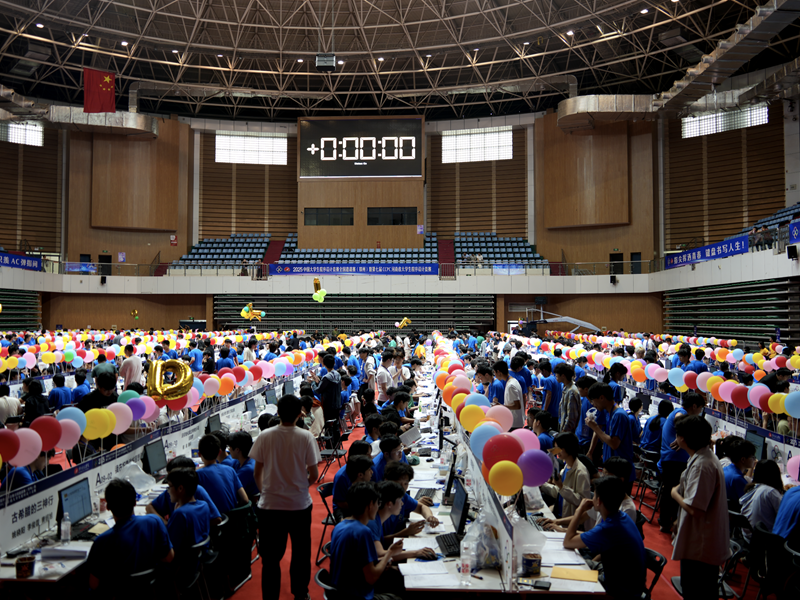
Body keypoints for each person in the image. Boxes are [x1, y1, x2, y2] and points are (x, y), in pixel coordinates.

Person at [250, 394, 321, 600]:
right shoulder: (305, 437)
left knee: (270, 558)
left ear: (278, 412)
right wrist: (301, 486)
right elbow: (314, 474)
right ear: (300, 414)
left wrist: (265, 491)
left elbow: (257, 472)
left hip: (270, 507)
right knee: (301, 553)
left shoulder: (265, 436)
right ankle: (300, 593)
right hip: (299, 505)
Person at [670, 415, 730, 600]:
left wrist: (674, 494)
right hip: (700, 539)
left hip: (702, 545)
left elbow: (695, 509)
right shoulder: (702, 456)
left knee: (696, 591)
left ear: (683, 438)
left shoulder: (702, 465)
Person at [563, 476, 646, 600]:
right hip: (630, 583)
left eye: (594, 495)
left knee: (567, 578)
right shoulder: (622, 517)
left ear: (599, 501)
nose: (592, 498)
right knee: (574, 565)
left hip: (620, 591)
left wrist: (579, 509)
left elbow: (567, 542)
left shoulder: (608, 528)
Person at [87, 479, 174, 591]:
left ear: (108, 507)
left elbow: (93, 584)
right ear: (134, 502)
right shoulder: (154, 522)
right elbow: (169, 557)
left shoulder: (101, 541)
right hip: (151, 592)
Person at [330, 482, 404, 600]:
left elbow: (354, 563)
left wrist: (381, 562)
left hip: (339, 591)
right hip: (357, 595)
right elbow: (372, 578)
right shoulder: (363, 532)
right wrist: (389, 553)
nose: (378, 507)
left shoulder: (339, 526)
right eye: (377, 503)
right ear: (370, 505)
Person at [657, 392, 706, 533]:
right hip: (674, 461)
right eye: (700, 408)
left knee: (669, 491)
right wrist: (683, 435)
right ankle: (667, 522)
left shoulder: (677, 412)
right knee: (670, 492)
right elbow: (679, 419)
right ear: (694, 406)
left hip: (672, 460)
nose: (700, 412)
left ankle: (668, 521)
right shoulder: (681, 412)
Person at [146, 456, 221, 524]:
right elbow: (149, 507)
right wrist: (164, 523)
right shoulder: (170, 492)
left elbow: (217, 519)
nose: (168, 481)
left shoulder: (198, 490)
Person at [584, 382, 635, 478]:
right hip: (611, 468)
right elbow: (606, 439)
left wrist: (595, 428)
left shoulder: (619, 415)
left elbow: (614, 444)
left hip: (620, 471)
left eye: (593, 400)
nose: (592, 404)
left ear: (601, 398)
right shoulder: (608, 413)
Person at [164, 468, 211, 558]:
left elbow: (171, 546)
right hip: (199, 556)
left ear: (180, 488)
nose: (168, 491)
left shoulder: (180, 514)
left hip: (183, 561)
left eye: (169, 487)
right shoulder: (204, 505)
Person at [196, 434, 249, 514]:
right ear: (219, 452)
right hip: (235, 519)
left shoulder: (197, 475)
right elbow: (245, 499)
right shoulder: (230, 469)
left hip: (215, 520)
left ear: (199, 454)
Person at [740, 459, 784, 543]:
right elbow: (784, 515)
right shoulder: (770, 492)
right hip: (763, 540)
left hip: (748, 537)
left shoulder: (752, 488)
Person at [549, 432, 591, 519]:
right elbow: (559, 491)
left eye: (559, 448)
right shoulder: (566, 467)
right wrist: (542, 485)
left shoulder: (581, 472)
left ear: (569, 447)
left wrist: (561, 486)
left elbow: (582, 502)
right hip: (560, 515)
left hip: (569, 521)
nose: (556, 451)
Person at [333, 443, 374, 520]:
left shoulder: (366, 468)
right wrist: (363, 509)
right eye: (367, 454)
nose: (371, 457)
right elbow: (340, 502)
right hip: (345, 508)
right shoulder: (342, 476)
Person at [723, 438, 756, 509]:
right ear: (743, 459)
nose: (755, 460)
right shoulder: (738, 479)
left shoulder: (725, 469)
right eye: (752, 457)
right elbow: (749, 504)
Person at [227, 431, 259, 499]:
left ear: (237, 450)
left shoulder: (247, 470)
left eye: (230, 447)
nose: (229, 449)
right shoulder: (239, 461)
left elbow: (231, 489)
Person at [492, 360, 523, 429]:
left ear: (498, 372)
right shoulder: (512, 381)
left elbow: (517, 405)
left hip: (514, 422)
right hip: (513, 420)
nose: (495, 376)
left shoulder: (511, 385)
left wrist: (501, 406)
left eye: (494, 372)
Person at [554, 363, 580, 434]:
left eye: (557, 375)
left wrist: (564, 431)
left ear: (563, 375)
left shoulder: (571, 391)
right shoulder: (566, 388)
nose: (556, 377)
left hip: (567, 433)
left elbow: (571, 417)